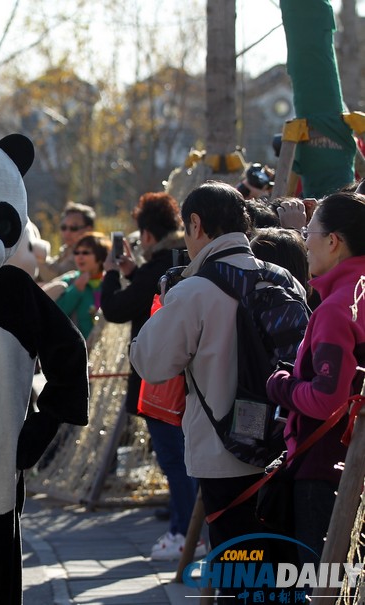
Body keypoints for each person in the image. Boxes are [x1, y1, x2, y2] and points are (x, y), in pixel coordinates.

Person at [130, 181, 306, 598]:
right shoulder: (282, 277)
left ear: (196, 224)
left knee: (234, 569)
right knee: (277, 570)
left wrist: (165, 303)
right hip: (285, 443)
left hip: (223, 452)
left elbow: (150, 363)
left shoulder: (195, 289)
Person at [98, 192, 201, 560]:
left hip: (162, 380)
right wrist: (132, 273)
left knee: (173, 459)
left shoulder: (157, 265)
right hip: (193, 376)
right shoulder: (186, 259)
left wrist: (111, 272)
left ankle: (184, 533)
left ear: (148, 235)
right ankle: (187, 524)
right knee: (187, 458)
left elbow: (114, 309)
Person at [266, 190, 365, 566]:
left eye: (309, 232)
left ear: (334, 241)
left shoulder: (338, 308)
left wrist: (281, 384)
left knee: (320, 582)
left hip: (326, 468)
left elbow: (327, 399)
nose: (304, 240)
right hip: (350, 462)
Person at [42, 231, 110, 340]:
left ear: (101, 257)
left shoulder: (110, 284)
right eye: (77, 253)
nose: (80, 257)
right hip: (74, 351)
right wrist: (75, 290)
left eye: (85, 253)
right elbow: (53, 316)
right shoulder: (68, 281)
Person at [38, 201, 95, 282]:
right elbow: (53, 266)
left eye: (74, 228)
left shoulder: (91, 254)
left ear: (89, 229)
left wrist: (35, 256)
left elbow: (57, 277)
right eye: (64, 227)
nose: (67, 233)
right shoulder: (66, 250)